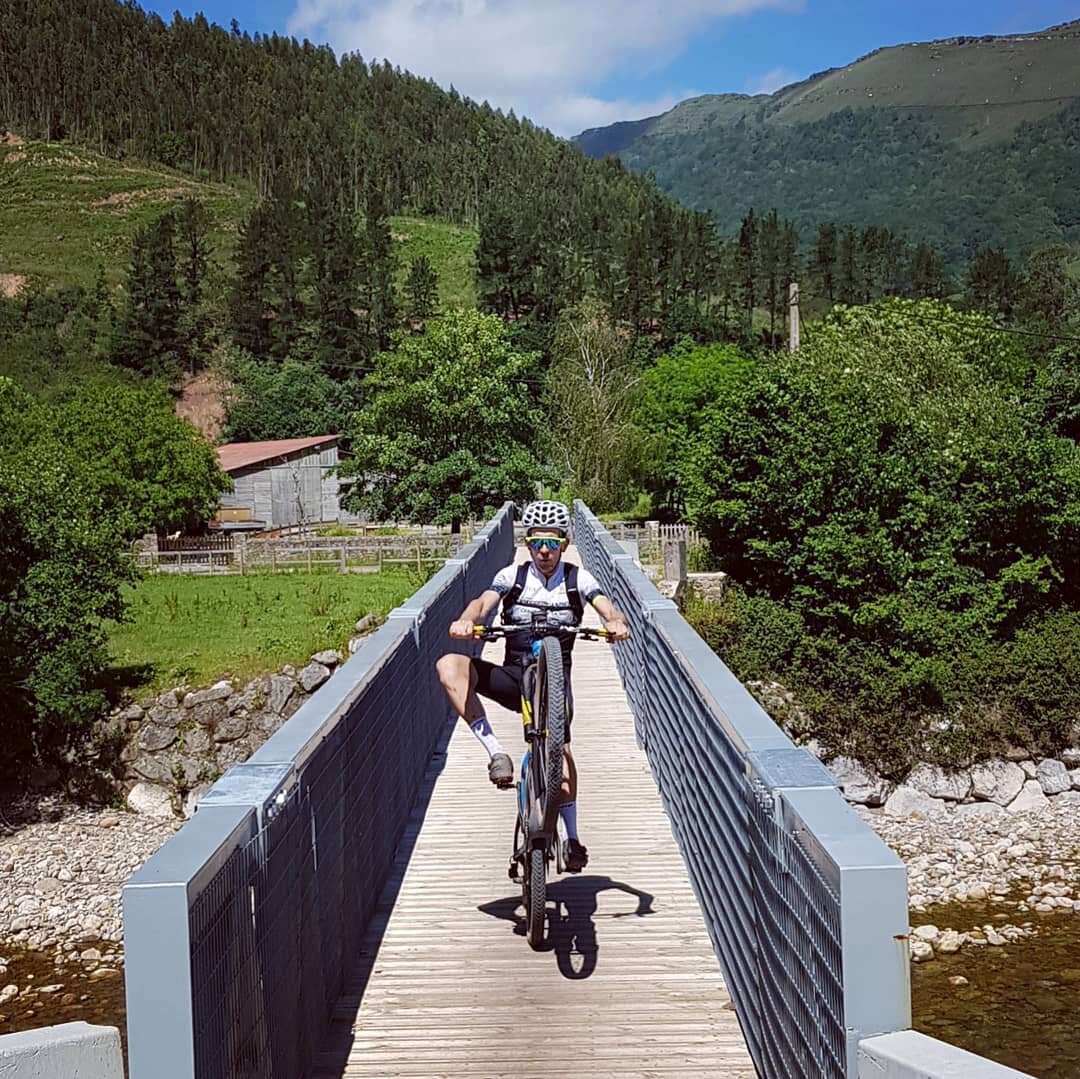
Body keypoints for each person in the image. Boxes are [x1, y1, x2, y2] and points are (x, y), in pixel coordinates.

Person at [435, 500, 629, 873]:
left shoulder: (578, 579)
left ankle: (572, 839)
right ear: (527, 543)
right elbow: (483, 602)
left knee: (563, 755)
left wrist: (615, 622)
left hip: (555, 686)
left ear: (565, 544)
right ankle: (494, 751)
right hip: (514, 678)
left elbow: (607, 607)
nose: (544, 551)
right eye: (537, 542)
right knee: (449, 666)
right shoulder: (513, 576)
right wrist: (466, 620)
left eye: (553, 543)